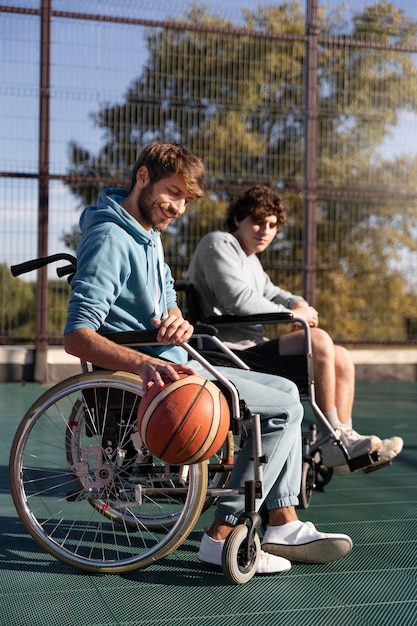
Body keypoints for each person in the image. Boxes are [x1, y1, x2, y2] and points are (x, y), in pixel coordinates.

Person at [64, 142, 352, 575]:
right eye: (172, 192)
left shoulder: (148, 237)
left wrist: (177, 318)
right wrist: (145, 363)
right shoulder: (109, 238)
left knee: (287, 392)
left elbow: (166, 301)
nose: (178, 206)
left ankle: (281, 522)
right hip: (157, 372)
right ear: (142, 177)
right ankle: (223, 534)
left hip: (180, 357)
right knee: (283, 408)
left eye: (185, 198)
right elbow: (77, 335)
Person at [186, 185, 404, 474]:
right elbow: (236, 299)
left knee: (340, 356)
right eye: (257, 222)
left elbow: (271, 291)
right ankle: (335, 441)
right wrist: (292, 313)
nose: (265, 230)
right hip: (225, 354)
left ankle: (343, 439)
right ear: (238, 218)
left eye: (272, 225)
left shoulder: (250, 258)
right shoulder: (220, 243)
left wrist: (295, 300)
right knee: (320, 340)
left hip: (248, 350)